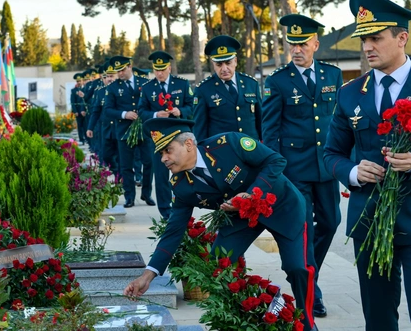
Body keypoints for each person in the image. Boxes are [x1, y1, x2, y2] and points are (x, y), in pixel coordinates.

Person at [124, 118, 316, 331]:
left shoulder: (228, 144)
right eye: (160, 153)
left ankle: (308, 325)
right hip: (239, 217)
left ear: (188, 144)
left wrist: (251, 194)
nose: (163, 159)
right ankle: (242, 321)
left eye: (168, 150)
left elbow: (276, 161)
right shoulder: (180, 185)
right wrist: (147, 276)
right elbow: (173, 231)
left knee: (298, 268)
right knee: (217, 267)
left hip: (280, 206)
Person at [324, 0, 411, 330]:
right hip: (371, 220)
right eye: (364, 39)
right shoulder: (349, 94)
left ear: (402, 37)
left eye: (376, 37)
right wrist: (353, 171)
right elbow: (331, 153)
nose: (367, 47)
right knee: (377, 319)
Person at [262, 14, 343, 318]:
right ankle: (312, 293)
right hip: (294, 170)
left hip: (326, 167)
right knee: (305, 229)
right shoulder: (278, 80)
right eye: (292, 44)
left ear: (315, 45)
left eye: (303, 44)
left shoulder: (332, 76)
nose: (297, 49)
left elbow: (338, 121)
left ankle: (313, 274)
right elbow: (269, 130)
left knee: (332, 222)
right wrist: (274, 170)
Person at [138, 51, 194, 219]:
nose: (159, 73)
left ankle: (183, 205)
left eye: (162, 69)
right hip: (158, 138)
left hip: (179, 136)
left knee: (183, 171)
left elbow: (192, 106)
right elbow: (141, 111)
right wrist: (156, 115)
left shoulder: (182, 84)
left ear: (169, 68)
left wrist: (180, 111)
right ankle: (165, 211)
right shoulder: (148, 88)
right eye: (156, 70)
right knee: (161, 174)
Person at [104, 55, 154, 208]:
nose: (120, 73)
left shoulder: (144, 83)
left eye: (123, 70)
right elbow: (108, 110)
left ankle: (146, 193)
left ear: (130, 66)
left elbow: (150, 103)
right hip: (124, 131)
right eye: (118, 71)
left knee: (149, 162)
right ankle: (129, 197)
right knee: (126, 165)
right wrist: (124, 114)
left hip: (144, 130)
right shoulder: (112, 88)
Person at [193, 35, 262, 141]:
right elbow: (199, 129)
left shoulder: (251, 84)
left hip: (252, 149)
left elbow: (261, 120)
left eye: (228, 63)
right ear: (213, 64)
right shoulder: (203, 90)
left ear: (235, 61)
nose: (224, 69)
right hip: (221, 151)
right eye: (219, 64)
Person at [87, 62, 119, 175]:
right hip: (106, 129)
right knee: (106, 155)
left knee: (121, 155)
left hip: (120, 128)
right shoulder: (100, 92)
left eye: (112, 76)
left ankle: (120, 177)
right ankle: (116, 171)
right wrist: (90, 127)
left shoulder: (122, 90)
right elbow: (95, 111)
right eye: (108, 77)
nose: (110, 79)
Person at [70, 73, 87, 144]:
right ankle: (81, 139)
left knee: (86, 125)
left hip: (85, 110)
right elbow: (73, 102)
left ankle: (86, 138)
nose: (79, 82)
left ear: (82, 81)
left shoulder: (85, 88)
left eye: (80, 81)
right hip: (78, 110)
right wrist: (75, 111)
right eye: (77, 81)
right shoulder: (74, 91)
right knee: (80, 126)